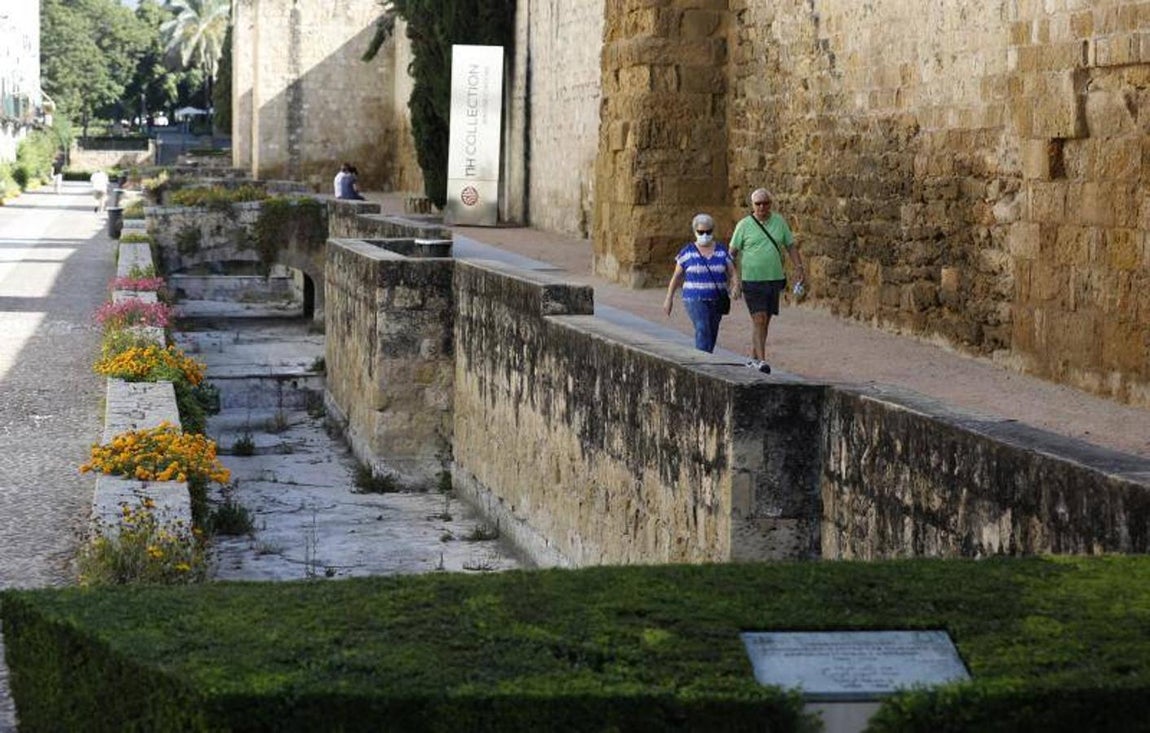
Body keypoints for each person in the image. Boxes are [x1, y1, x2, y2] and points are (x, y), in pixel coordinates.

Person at [729, 188, 805, 373]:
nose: (762, 207)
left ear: (770, 204)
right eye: (758, 203)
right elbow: (731, 253)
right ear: (752, 205)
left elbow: (790, 246)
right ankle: (762, 361)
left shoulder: (779, 222)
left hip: (774, 279)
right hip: (752, 280)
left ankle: (754, 358)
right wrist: (734, 280)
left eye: (765, 203)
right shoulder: (744, 225)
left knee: (765, 321)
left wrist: (799, 268)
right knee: (759, 319)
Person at [662, 213, 736, 353]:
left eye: (708, 232)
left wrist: (736, 285)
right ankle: (702, 363)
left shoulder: (721, 251)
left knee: (712, 331)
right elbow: (676, 277)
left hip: (717, 299)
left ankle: (706, 358)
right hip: (694, 298)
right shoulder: (687, 252)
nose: (704, 235)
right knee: (702, 328)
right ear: (695, 231)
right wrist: (669, 298)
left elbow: (732, 271)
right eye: (701, 232)